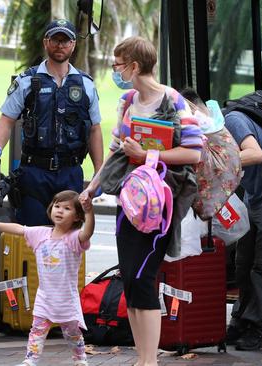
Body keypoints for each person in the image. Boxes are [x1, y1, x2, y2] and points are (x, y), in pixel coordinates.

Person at [81, 36, 202, 366]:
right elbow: (114, 150)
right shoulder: (127, 101)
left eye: (118, 64)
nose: (115, 71)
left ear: (134, 66)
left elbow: (193, 151)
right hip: (129, 202)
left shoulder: (174, 101)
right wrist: (92, 186)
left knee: (143, 277)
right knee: (130, 278)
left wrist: (148, 153)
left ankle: (150, 360)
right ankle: (142, 357)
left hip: (159, 204)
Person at [182, 91, 262, 351]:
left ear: (193, 108)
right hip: (253, 198)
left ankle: (256, 329)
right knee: (243, 265)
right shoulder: (212, 131)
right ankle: (239, 323)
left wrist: (214, 164)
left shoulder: (232, 120)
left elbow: (256, 155)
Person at [0, 19, 103, 226]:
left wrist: (98, 173)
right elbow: (6, 119)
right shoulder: (27, 81)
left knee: (69, 239)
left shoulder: (85, 85)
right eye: (55, 39)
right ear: (45, 42)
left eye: (65, 41)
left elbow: (94, 129)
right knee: (32, 237)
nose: (60, 45)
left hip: (70, 172)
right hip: (34, 174)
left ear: (73, 45)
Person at [0, 190, 94, 366]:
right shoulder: (40, 234)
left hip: (66, 299)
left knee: (72, 333)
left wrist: (90, 212)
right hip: (44, 297)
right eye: (57, 206)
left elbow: (88, 233)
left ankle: (80, 358)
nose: (60, 211)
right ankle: (30, 360)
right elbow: (18, 229)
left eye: (67, 208)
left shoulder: (73, 239)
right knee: (37, 330)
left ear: (77, 216)